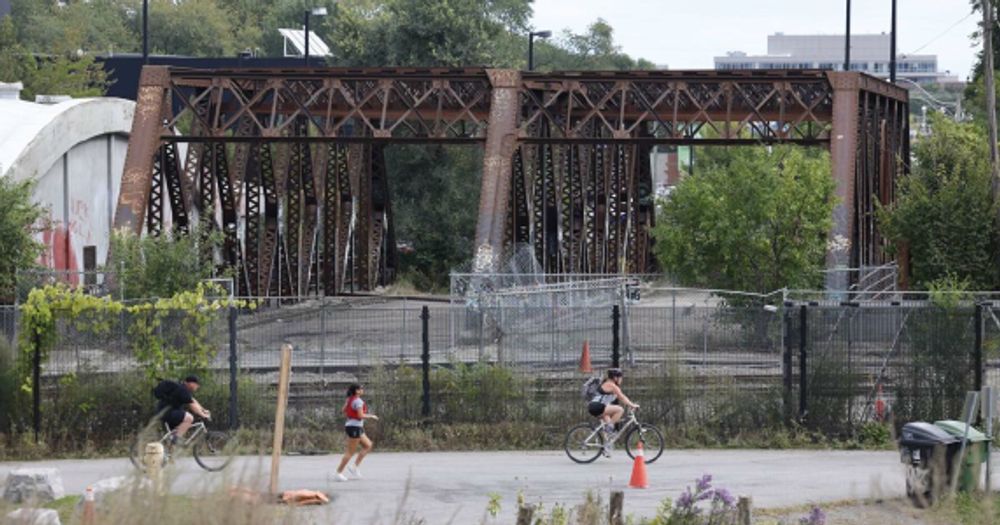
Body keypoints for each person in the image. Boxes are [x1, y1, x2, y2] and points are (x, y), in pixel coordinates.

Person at [333, 384, 378, 481]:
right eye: (361, 389)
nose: (362, 390)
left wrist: (350, 409)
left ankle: (354, 467)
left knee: (368, 445)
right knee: (350, 452)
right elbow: (360, 415)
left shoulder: (350, 399)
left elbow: (343, 410)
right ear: (357, 391)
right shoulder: (358, 401)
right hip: (354, 427)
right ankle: (338, 473)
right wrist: (371, 416)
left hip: (355, 426)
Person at [587, 368, 639, 449]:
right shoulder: (611, 385)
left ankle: (606, 447)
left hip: (596, 406)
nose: (622, 380)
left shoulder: (608, 384)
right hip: (597, 406)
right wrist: (632, 405)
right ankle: (608, 429)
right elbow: (622, 397)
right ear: (615, 378)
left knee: (609, 424)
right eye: (621, 377)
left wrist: (629, 404)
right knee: (620, 410)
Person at [153, 375, 211, 443]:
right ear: (191, 383)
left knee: (179, 428)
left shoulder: (183, 388)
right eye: (197, 384)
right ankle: (175, 440)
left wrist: (203, 410)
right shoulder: (183, 390)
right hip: (166, 413)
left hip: (165, 412)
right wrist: (203, 415)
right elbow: (192, 406)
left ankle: (172, 445)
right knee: (189, 418)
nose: (198, 387)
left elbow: (193, 400)